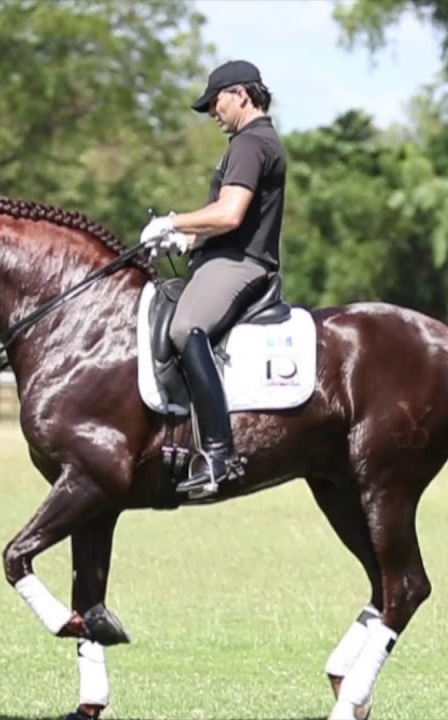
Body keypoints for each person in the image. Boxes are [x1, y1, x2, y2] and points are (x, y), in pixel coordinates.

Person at [139, 59, 287, 494]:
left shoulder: (250, 143)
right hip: (225, 256)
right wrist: (188, 243)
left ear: (241, 94)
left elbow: (230, 213)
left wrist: (174, 222)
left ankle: (219, 454)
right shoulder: (255, 142)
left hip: (241, 264)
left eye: (214, 102)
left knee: (187, 327)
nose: (211, 112)